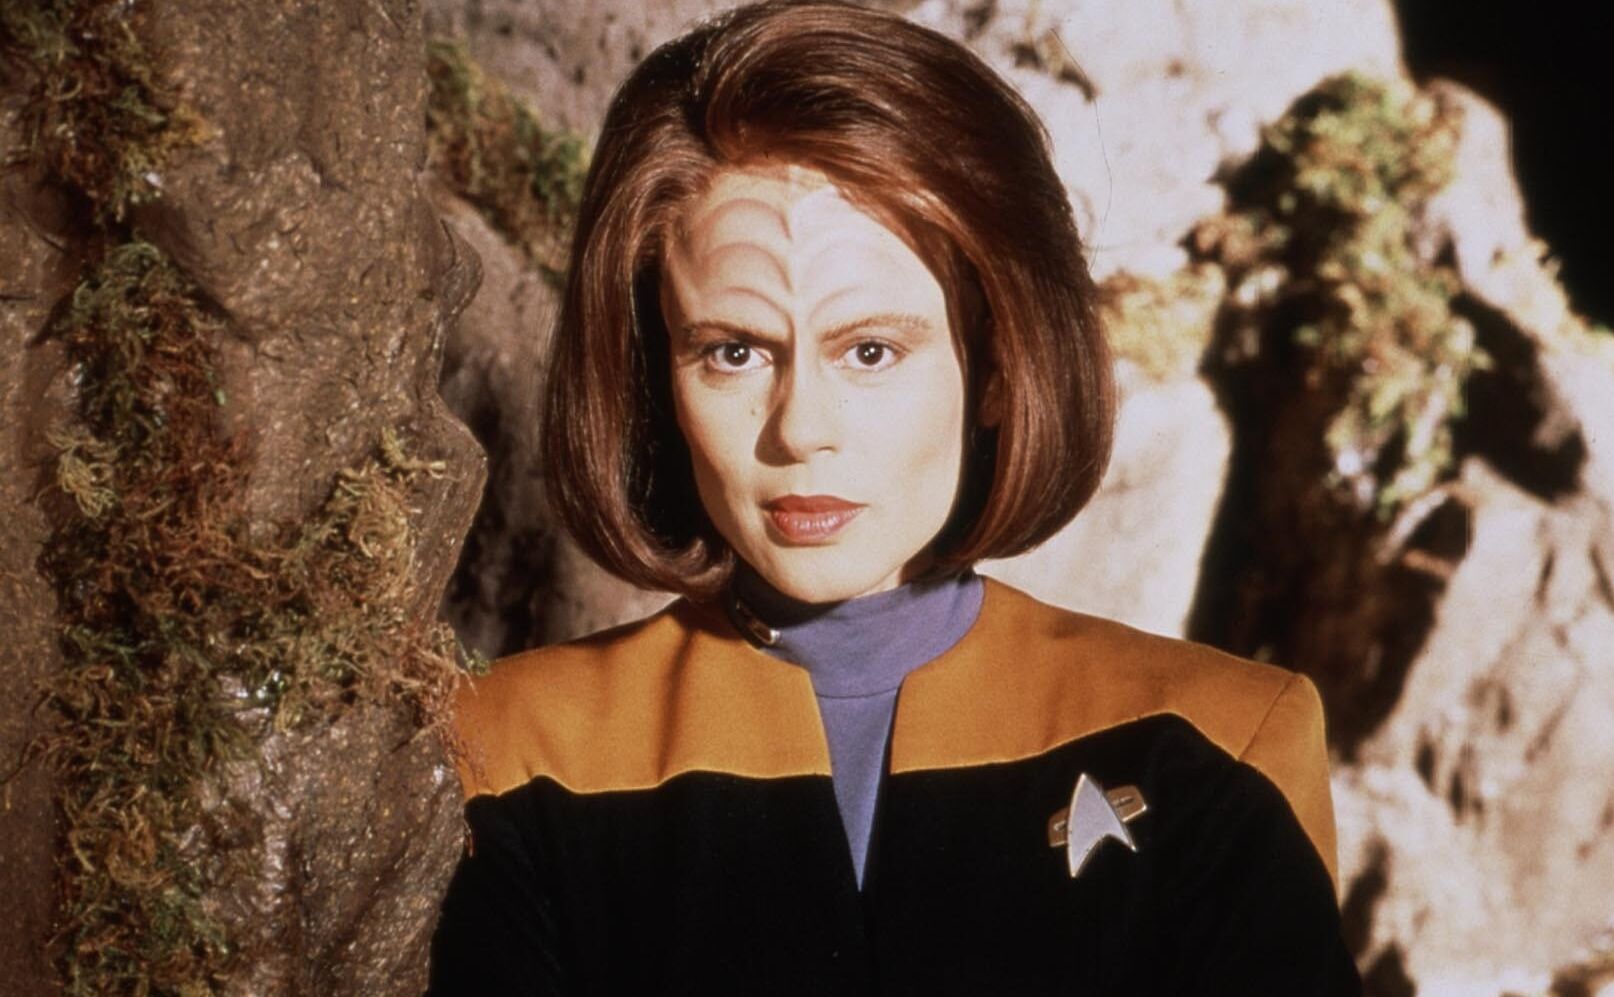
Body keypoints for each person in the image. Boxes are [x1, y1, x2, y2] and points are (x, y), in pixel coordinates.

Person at [428, 1, 1360, 993]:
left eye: (870, 351)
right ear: (657, 371)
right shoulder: (507, 752)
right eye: (733, 351)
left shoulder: (1218, 745)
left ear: (997, 367)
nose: (799, 429)